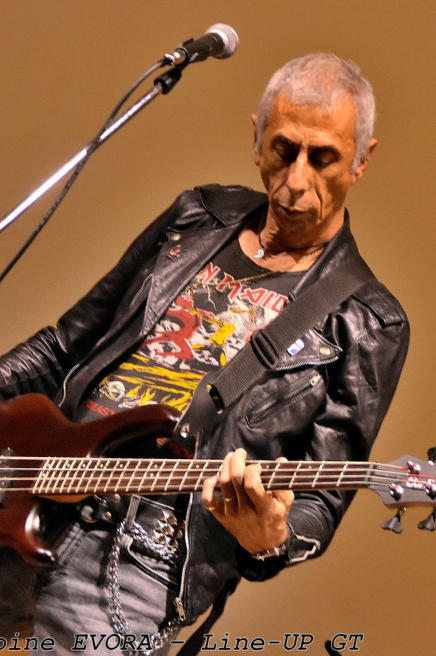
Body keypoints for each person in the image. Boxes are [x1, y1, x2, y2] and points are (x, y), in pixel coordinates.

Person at [0, 53, 409, 655]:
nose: (297, 180)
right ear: (256, 139)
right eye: (284, 149)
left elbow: (319, 502)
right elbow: (65, 344)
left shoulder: (368, 320)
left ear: (361, 160)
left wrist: (270, 536)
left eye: (323, 158)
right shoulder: (196, 216)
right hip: (27, 488)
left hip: (135, 557)